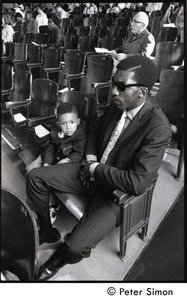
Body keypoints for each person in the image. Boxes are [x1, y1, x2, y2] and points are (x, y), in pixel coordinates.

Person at [26, 56, 172, 281]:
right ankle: (46, 230)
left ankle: (61, 255)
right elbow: (93, 129)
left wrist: (96, 169)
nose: (113, 91)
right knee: (35, 177)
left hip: (113, 192)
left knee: (75, 248)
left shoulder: (158, 128)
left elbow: (137, 183)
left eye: (121, 87)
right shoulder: (118, 104)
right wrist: (92, 158)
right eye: (114, 82)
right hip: (90, 168)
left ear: (142, 92)